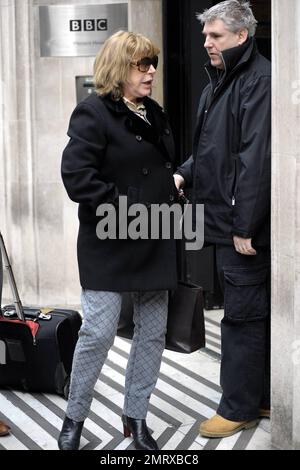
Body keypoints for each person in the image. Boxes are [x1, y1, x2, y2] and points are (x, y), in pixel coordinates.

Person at [59, 30, 178, 450]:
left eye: (152, 65)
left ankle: (137, 416)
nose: (150, 73)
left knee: (151, 334)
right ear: (119, 68)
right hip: (110, 238)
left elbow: (159, 166)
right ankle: (73, 418)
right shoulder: (93, 112)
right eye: (141, 65)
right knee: (98, 332)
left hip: (154, 236)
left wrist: (173, 183)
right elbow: (77, 177)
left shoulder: (154, 112)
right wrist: (123, 207)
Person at [174, 0, 271, 438]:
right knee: (250, 313)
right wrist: (182, 173)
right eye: (205, 35)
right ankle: (262, 396)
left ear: (241, 36)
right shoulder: (219, 82)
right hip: (220, 219)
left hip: (241, 228)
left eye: (215, 36)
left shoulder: (258, 81)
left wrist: (244, 226)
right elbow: (213, 150)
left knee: (242, 319)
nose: (206, 43)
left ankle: (238, 407)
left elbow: (256, 159)